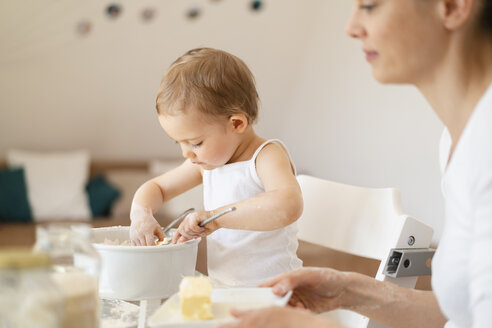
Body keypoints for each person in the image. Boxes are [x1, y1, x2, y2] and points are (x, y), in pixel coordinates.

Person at [221, 0, 492, 327]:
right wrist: (350, 292)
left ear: (451, 7)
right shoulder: (457, 139)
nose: (351, 27)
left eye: (369, 6)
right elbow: (462, 314)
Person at [129, 48, 303, 288]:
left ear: (237, 123)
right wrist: (141, 215)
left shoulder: (265, 156)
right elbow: (157, 187)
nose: (186, 153)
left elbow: (288, 204)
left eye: (195, 143)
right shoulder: (206, 165)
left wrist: (215, 219)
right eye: (179, 143)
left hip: (277, 292)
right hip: (226, 292)